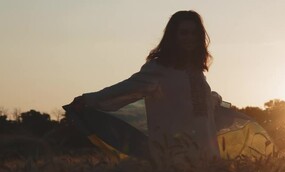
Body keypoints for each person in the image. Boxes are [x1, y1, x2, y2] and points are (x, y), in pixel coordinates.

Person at [68, 10, 222, 162]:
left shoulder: (195, 70)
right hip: (174, 154)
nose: (190, 37)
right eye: (184, 33)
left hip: (206, 154)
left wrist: (216, 99)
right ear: (173, 36)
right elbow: (127, 89)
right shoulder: (159, 68)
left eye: (194, 33)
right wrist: (89, 99)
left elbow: (198, 102)